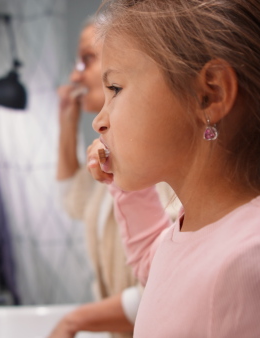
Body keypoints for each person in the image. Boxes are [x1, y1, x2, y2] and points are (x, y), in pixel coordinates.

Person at [85, 0, 260, 336]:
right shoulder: (205, 231)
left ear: (211, 94)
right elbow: (159, 262)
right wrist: (120, 182)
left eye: (115, 89)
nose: (98, 122)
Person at [51, 17, 179, 338]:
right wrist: (66, 123)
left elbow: (165, 284)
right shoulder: (114, 159)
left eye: (87, 59)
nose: (74, 75)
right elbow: (73, 201)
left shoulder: (151, 166)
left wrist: (75, 320)